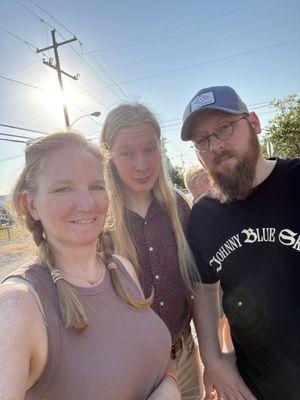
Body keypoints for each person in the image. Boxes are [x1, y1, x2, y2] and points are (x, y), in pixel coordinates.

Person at [0, 131, 181, 400]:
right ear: (32, 204)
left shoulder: (122, 269)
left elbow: (152, 362)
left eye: (96, 186)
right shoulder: (19, 304)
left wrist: (170, 385)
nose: (86, 204)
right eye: (64, 189)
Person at [180, 85, 300, 400]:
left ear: (255, 123)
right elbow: (205, 290)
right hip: (255, 387)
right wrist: (212, 358)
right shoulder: (204, 216)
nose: (215, 145)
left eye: (224, 128)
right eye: (202, 140)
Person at [100, 103, 203, 399]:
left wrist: (210, 358)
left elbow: (196, 290)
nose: (141, 164)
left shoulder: (179, 208)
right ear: (109, 157)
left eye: (149, 149)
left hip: (184, 354)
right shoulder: (100, 222)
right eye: (127, 153)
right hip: (133, 368)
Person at [184, 166, 233, 353]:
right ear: (193, 187)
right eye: (206, 181)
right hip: (210, 277)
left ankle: (229, 350)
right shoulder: (194, 214)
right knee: (218, 320)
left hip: (224, 274)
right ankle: (221, 351)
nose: (211, 183)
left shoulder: (217, 205)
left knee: (228, 317)